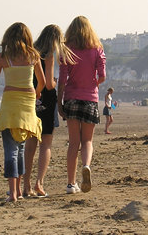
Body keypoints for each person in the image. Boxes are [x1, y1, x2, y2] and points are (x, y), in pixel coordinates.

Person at [0, 22, 45, 202]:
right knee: (21, 147)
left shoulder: (3, 57)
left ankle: (13, 194)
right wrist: (37, 92)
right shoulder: (33, 56)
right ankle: (17, 191)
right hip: (27, 104)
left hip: (10, 104)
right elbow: (41, 82)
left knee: (10, 148)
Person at [23, 24, 76, 197]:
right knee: (45, 143)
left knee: (30, 143)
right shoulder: (48, 55)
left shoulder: (30, 52)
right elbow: (48, 83)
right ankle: (40, 182)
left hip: (31, 98)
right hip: (47, 99)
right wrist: (54, 81)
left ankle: (26, 185)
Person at [58, 16, 106, 194]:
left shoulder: (66, 49)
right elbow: (102, 75)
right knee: (87, 140)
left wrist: (59, 102)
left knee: (73, 142)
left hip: (71, 98)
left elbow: (62, 79)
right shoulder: (97, 49)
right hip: (90, 98)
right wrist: (93, 83)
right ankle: (86, 165)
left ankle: (71, 184)